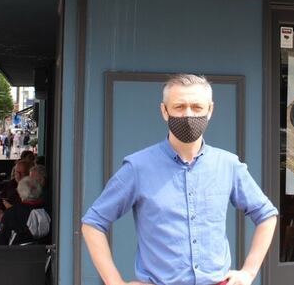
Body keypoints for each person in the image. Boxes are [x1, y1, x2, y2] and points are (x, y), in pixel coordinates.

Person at [82, 74, 278, 285]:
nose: (188, 114)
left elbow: (267, 215)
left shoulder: (228, 165)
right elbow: (92, 224)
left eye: (197, 107)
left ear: (210, 110)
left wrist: (248, 273)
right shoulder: (137, 167)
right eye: (179, 107)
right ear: (164, 111)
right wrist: (116, 283)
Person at [0, 177, 50, 245]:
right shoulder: (49, 210)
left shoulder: (12, 213)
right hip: (44, 253)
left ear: (20, 193)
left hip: (15, 253)